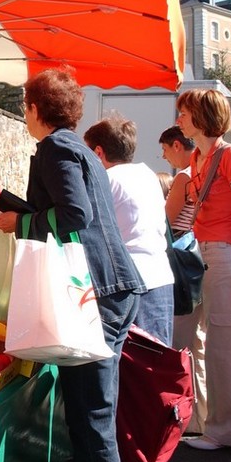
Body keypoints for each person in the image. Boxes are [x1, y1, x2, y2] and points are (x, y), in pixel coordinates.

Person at [0, 68, 144, 462]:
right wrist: (1, 200)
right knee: (87, 412)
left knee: (92, 416)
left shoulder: (55, 148)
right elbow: (58, 206)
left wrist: (21, 226)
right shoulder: (74, 147)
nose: (25, 113)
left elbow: (76, 215)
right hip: (110, 288)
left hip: (98, 294)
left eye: (25, 106)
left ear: (35, 108)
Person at [173, 89, 231, 452]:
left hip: (223, 254)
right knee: (185, 339)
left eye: (184, 113)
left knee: (224, 345)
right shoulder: (198, 160)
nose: (179, 119)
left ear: (202, 116)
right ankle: (203, 420)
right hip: (201, 253)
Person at [85, 116, 175, 346]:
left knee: (129, 369)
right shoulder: (147, 175)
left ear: (98, 152)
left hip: (130, 283)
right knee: (155, 362)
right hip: (160, 276)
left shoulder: (108, 179)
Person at [158, 126, 197, 237]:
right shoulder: (198, 171)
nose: (163, 156)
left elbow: (166, 219)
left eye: (165, 149)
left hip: (179, 241)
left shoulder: (184, 176)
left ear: (176, 146)